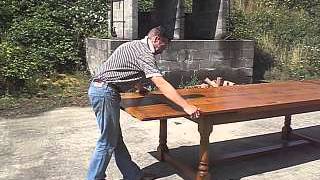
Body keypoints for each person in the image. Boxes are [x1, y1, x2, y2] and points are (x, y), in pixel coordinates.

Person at [87, 26, 201, 180]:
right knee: (107, 142)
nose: (165, 48)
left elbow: (124, 69)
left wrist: (139, 87)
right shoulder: (144, 54)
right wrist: (187, 106)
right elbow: (161, 83)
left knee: (115, 140)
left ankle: (133, 175)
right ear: (156, 39)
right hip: (105, 92)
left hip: (101, 89)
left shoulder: (131, 45)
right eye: (165, 44)